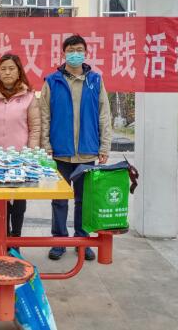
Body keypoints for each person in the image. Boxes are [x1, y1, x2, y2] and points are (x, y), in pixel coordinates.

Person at [40, 34, 112, 261]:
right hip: (59, 152)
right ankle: (59, 241)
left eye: (79, 50)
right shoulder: (52, 81)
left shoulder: (96, 81)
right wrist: (46, 145)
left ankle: (82, 241)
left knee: (84, 200)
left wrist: (104, 146)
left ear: (86, 53)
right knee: (59, 200)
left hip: (87, 151)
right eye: (70, 50)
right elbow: (44, 116)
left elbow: (104, 115)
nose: (75, 54)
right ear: (63, 53)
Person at [0, 54, 40, 243]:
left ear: (19, 71)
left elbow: (35, 128)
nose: (7, 72)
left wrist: (32, 154)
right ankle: (2, 240)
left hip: (21, 159)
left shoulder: (29, 96)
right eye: (3, 69)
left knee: (19, 202)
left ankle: (16, 240)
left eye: (11, 68)